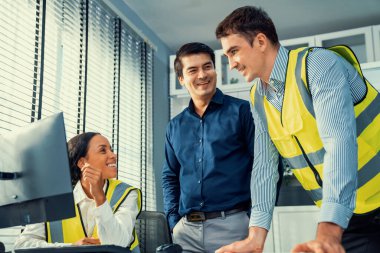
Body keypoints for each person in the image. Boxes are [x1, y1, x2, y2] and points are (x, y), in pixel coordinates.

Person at [214, 6, 380, 253]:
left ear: (260, 41)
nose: (231, 64)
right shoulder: (257, 97)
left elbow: (339, 143)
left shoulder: (317, 64)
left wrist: (328, 231)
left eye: (234, 51)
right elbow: (264, 168)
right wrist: (255, 237)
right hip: (352, 216)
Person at [162, 42, 255, 253]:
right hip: (185, 232)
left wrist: (253, 217)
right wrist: (173, 221)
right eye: (193, 70)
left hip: (233, 227)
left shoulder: (242, 112)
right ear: (181, 79)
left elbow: (265, 167)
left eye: (207, 66)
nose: (202, 75)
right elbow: (170, 176)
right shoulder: (174, 126)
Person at [14, 132, 142, 251]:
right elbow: (23, 244)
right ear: (82, 163)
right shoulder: (52, 199)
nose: (114, 155)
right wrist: (72, 248)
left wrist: (99, 197)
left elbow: (117, 243)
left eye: (111, 150)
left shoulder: (127, 193)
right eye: (103, 150)